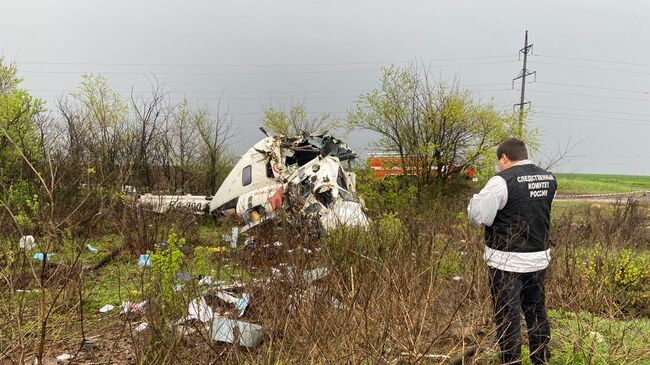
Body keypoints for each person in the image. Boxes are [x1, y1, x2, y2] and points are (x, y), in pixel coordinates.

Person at [467, 137, 557, 365]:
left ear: (504, 158)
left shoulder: (501, 181)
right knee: (536, 309)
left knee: (508, 314)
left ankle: (511, 361)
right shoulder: (549, 178)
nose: (499, 166)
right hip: (538, 258)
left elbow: (480, 217)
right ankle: (541, 360)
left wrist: (474, 203)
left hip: (506, 261)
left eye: (500, 162)